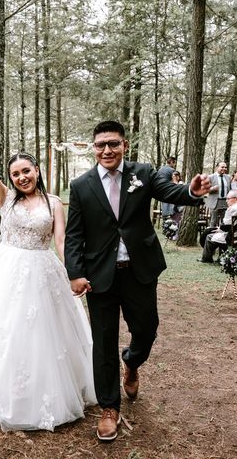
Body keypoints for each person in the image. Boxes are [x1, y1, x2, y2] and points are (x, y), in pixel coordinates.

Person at [64, 120, 210, 441]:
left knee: (146, 329)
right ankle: (109, 408)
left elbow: (169, 190)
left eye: (113, 144)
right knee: (103, 342)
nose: (107, 150)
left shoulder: (142, 174)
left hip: (139, 270)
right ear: (94, 148)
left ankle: (132, 362)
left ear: (124, 145)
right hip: (100, 275)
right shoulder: (80, 185)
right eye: (101, 145)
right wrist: (75, 273)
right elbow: (74, 235)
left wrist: (190, 192)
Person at [0, 127, 96, 432]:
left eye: (26, 171)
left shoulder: (55, 202)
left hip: (43, 270)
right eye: (16, 173)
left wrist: (74, 273)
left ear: (37, 171)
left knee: (46, 332)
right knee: (7, 330)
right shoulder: (5, 198)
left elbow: (61, 241)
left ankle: (48, 392)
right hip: (6, 270)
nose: (21, 177)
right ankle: (6, 393)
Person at [198, 189, 237, 264]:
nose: (226, 201)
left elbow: (226, 225)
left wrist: (219, 229)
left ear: (235, 198)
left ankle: (206, 258)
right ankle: (221, 258)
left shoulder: (232, 209)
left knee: (209, 237)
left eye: (228, 199)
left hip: (232, 236)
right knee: (218, 235)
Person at [204, 161, 231, 227]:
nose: (224, 168)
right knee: (213, 221)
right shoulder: (210, 177)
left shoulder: (228, 177)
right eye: (222, 167)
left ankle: (221, 236)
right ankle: (210, 236)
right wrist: (213, 188)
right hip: (215, 202)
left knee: (225, 221)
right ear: (217, 167)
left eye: (225, 167)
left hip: (225, 202)